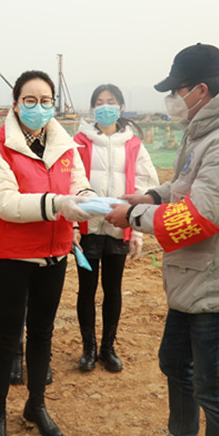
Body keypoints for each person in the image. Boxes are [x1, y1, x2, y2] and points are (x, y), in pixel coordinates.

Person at [104, 43, 219, 436]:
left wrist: (132, 217)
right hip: (198, 278)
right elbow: (185, 186)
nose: (172, 99)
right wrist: (150, 196)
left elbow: (201, 216)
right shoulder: (206, 131)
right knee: (175, 362)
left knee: (214, 388)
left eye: (176, 90)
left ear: (201, 90)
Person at [0, 70, 96, 436]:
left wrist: (86, 198)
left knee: (43, 332)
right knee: (6, 337)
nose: (39, 107)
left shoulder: (65, 146)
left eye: (46, 101)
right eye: (30, 100)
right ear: (16, 104)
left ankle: (36, 404)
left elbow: (78, 183)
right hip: (13, 256)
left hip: (55, 253)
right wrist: (58, 204)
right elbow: (4, 202)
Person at [73, 84, 159, 373]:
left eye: (110, 101)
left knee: (113, 288)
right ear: (92, 108)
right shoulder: (79, 142)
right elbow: (68, 184)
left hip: (119, 226)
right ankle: (88, 348)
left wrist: (136, 228)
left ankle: (108, 348)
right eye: (99, 102)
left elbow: (146, 187)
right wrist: (73, 224)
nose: (105, 107)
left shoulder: (133, 145)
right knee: (86, 289)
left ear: (121, 107)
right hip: (87, 227)